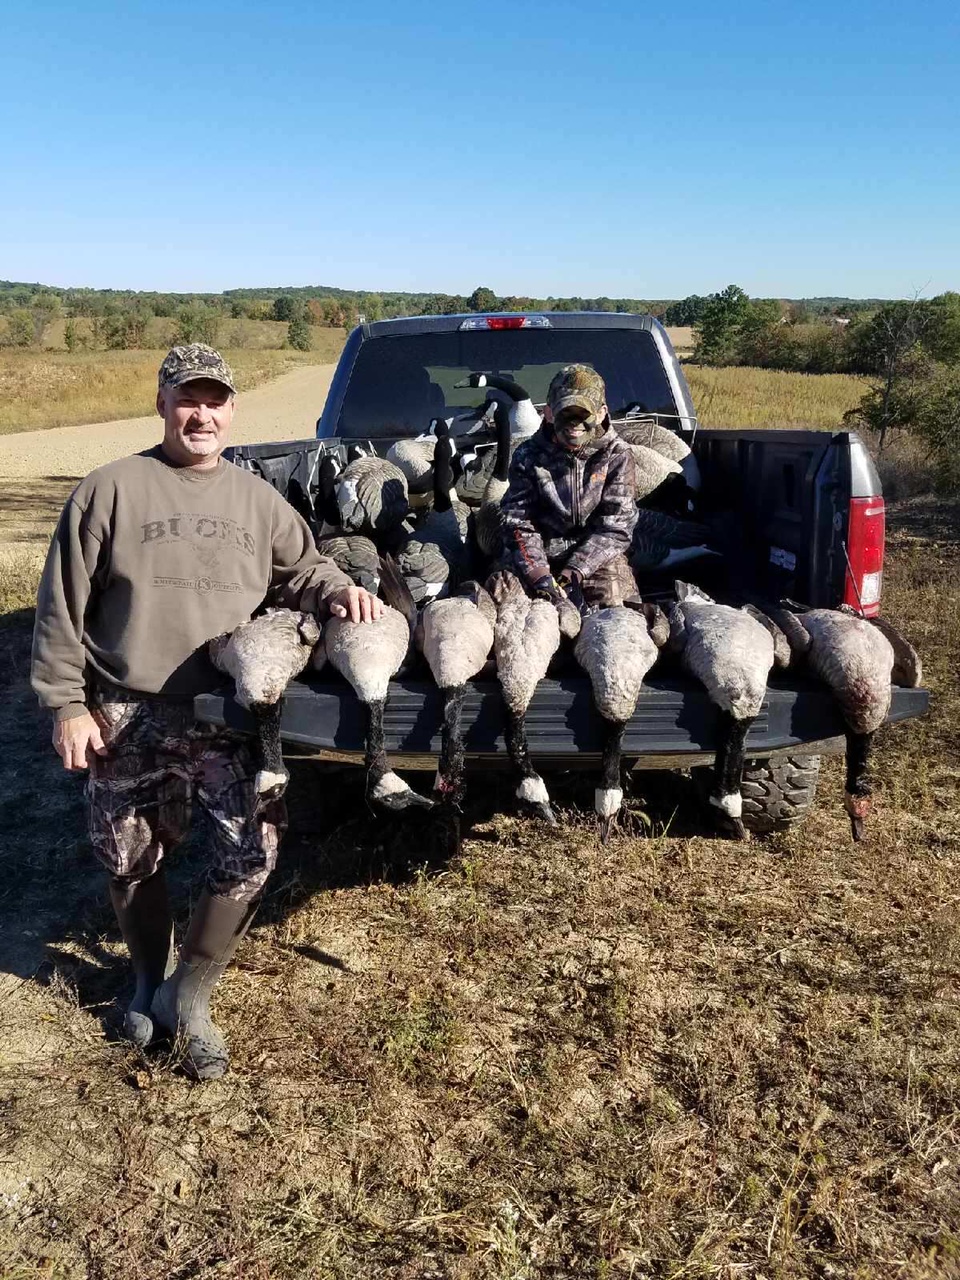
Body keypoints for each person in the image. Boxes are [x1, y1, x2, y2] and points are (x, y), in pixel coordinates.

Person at [30, 343, 381, 1080]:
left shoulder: (256, 500)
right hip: (124, 708)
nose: (201, 414)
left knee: (251, 853)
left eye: (214, 401)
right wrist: (66, 704)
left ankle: (188, 996)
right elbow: (61, 609)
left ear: (231, 410)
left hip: (227, 712)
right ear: (161, 404)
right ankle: (144, 982)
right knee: (128, 856)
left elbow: (306, 567)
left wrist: (337, 591)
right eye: (187, 399)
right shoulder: (109, 490)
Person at [497, 364, 639, 607]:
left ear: (601, 413)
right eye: (565, 413)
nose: (575, 423)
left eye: (584, 414)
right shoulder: (527, 455)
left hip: (596, 557)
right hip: (537, 554)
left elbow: (616, 527)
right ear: (548, 413)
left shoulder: (617, 455)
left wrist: (574, 571)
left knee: (615, 604)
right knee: (505, 598)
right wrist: (539, 575)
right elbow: (517, 521)